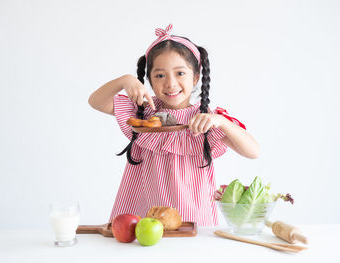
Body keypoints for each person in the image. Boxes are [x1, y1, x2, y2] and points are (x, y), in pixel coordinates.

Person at [88, 24, 260, 226]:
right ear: (149, 80)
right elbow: (95, 101)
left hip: (192, 217)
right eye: (160, 75)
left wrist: (222, 122)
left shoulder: (205, 120)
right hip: (142, 215)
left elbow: (253, 151)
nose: (170, 83)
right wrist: (124, 80)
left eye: (180, 73)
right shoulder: (144, 111)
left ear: (196, 77)